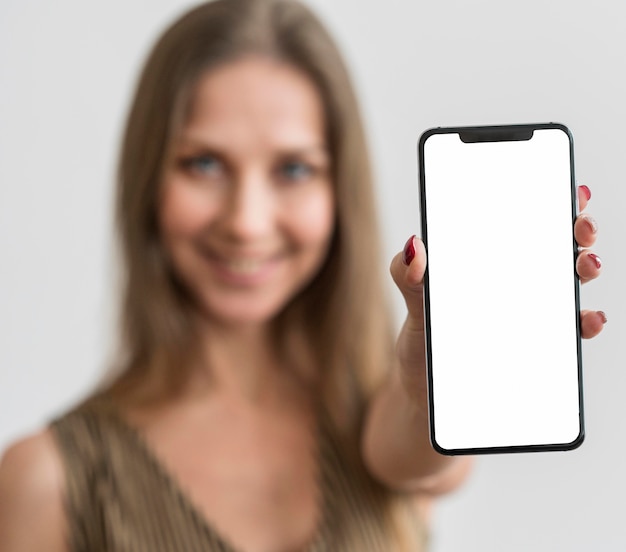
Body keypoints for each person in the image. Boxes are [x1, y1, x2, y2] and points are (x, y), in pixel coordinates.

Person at [0, 0, 605, 550]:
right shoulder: (46, 482)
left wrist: (430, 379)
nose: (245, 221)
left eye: (293, 168)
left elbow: (418, 451)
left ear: (340, 194)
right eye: (204, 163)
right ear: (149, 180)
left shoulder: (385, 422)